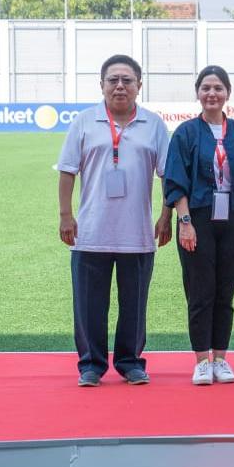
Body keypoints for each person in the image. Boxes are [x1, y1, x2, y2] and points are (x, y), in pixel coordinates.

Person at [58, 54, 172, 387]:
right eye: (113, 80)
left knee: (134, 305)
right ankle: (91, 365)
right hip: (90, 231)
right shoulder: (83, 122)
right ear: (102, 85)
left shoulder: (154, 125)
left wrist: (165, 216)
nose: (120, 86)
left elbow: (167, 175)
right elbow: (67, 171)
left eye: (127, 80)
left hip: (136, 232)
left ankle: (130, 362)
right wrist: (66, 215)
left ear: (139, 85)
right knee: (89, 305)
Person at [164, 66, 234, 385]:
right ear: (198, 93)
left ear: (227, 93)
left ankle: (221, 358)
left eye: (218, 88)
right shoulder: (186, 133)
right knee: (200, 290)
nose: (212, 94)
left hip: (232, 219)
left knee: (225, 291)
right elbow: (176, 181)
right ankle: (201, 360)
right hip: (199, 218)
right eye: (206, 88)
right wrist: (185, 222)